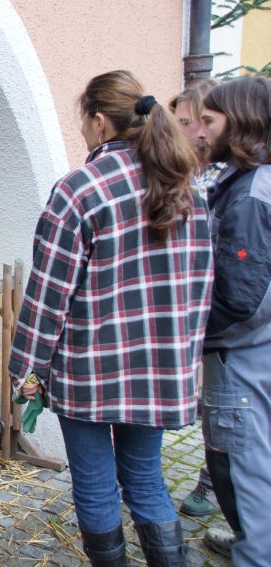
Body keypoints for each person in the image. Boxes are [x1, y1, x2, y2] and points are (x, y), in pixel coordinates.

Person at [8, 70, 213, 567]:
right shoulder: (186, 188)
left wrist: (28, 371)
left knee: (96, 486)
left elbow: (47, 295)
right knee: (146, 479)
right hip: (159, 366)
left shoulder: (80, 189)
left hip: (90, 370)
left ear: (99, 122)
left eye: (83, 120)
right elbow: (201, 286)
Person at [196, 75, 271, 564]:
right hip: (255, 350)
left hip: (240, 355)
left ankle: (256, 550)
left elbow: (240, 298)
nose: (201, 130)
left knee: (242, 468)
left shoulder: (250, 196)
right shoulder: (248, 181)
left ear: (240, 122)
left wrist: (187, 333)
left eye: (209, 120)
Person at [168, 79, 222, 519]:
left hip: (223, 315)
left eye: (192, 121)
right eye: (181, 122)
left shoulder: (222, 180)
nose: (186, 130)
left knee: (227, 407)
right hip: (197, 311)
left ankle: (214, 482)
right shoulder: (185, 175)